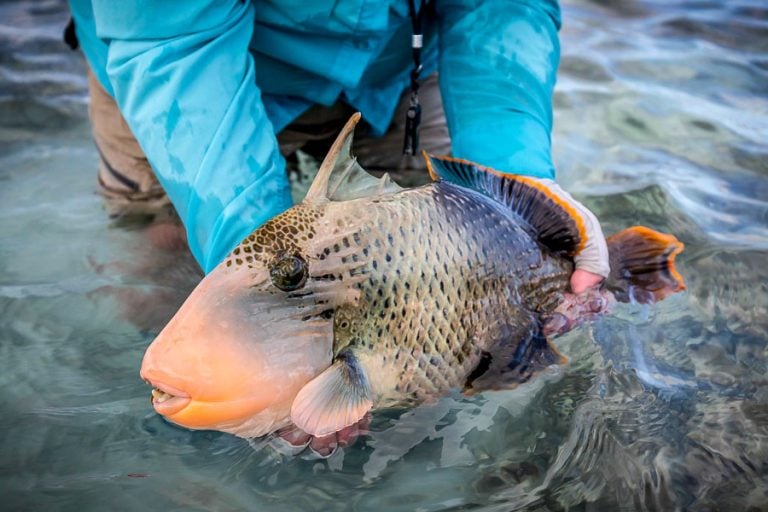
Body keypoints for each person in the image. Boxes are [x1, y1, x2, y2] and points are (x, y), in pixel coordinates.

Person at [67, 0, 607, 291]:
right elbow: (174, 42)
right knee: (164, 257)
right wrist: (258, 271)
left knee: (456, 257)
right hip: (176, 71)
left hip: (402, 64)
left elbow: (500, 7)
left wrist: (517, 186)